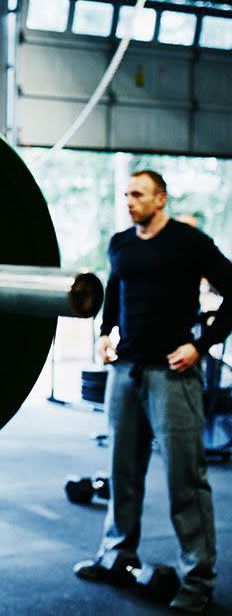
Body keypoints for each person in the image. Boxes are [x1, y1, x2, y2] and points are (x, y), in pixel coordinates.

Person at [75, 170, 232, 612]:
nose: (129, 201)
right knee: (122, 469)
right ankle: (116, 555)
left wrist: (200, 345)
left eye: (138, 194)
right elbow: (116, 289)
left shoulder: (188, 243)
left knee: (186, 479)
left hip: (172, 373)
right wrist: (106, 333)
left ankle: (198, 580)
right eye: (126, 194)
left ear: (160, 199)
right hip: (127, 372)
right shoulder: (122, 243)